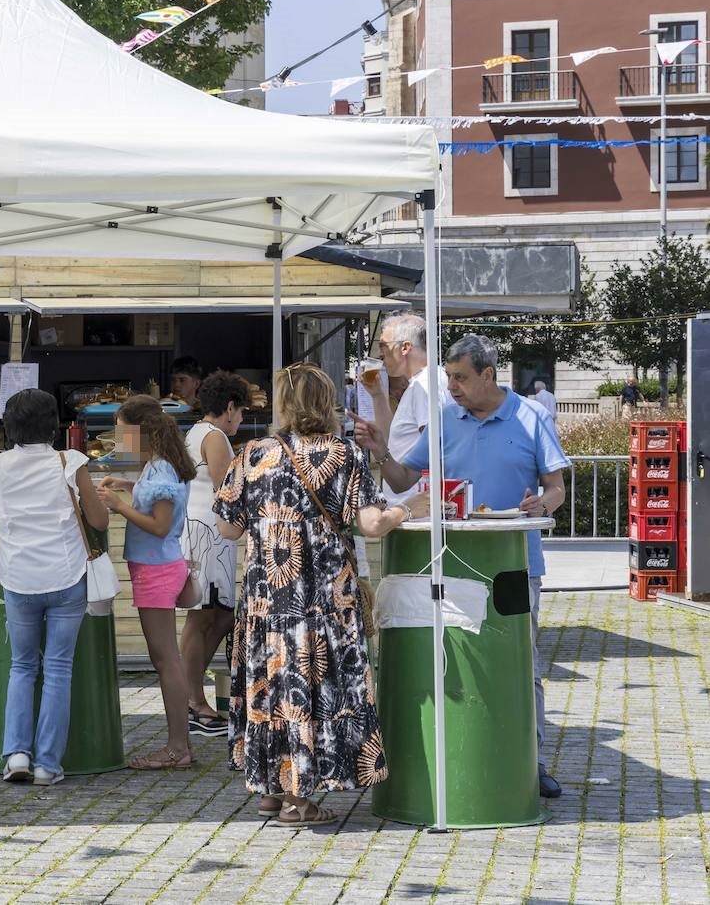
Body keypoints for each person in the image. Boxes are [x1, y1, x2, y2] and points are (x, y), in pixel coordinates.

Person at [354, 334, 571, 799]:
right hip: (449, 560)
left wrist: (541, 504)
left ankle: (529, 762)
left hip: (515, 564)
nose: (450, 386)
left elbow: (557, 489)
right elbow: (402, 479)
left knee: (521, 662)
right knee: (455, 660)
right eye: (449, 377)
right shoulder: (444, 419)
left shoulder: (531, 416)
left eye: (460, 377)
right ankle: (462, 750)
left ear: (488, 375)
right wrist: (380, 450)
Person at [214, 364, 428, 827]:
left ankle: (272, 789)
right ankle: (299, 802)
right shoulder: (344, 453)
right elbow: (370, 523)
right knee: (312, 688)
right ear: (325, 402)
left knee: (272, 687)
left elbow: (228, 528)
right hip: (322, 602)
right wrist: (407, 508)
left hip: (267, 601)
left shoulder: (252, 454)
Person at [0, 389, 108, 786]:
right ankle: (48, 765)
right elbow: (99, 521)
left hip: (18, 578)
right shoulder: (71, 462)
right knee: (57, 670)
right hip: (66, 575)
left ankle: (16, 754)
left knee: (21, 666)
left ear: (10, 425)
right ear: (53, 424)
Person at [98, 395, 197, 770]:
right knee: (166, 658)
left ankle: (176, 748)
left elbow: (157, 526)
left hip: (157, 569)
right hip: (161, 567)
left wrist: (120, 505)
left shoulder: (159, 472)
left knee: (165, 659)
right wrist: (125, 483)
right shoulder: (161, 466)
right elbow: (159, 505)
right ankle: (181, 744)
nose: (122, 441)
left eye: (125, 433)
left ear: (143, 432)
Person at [177, 371, 251, 737]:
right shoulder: (216, 436)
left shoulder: (195, 432)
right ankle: (191, 700)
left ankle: (188, 694)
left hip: (204, 532)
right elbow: (229, 487)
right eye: (241, 411)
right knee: (202, 616)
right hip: (208, 532)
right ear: (230, 406)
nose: (242, 419)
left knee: (220, 616)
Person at [354, 311, 453, 505]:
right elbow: (394, 440)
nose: (380, 353)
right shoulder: (421, 383)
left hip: (418, 510)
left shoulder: (424, 386)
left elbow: (435, 449)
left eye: (384, 345)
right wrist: (378, 395)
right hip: (410, 505)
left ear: (405, 347)